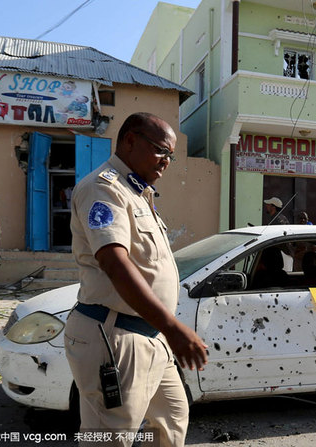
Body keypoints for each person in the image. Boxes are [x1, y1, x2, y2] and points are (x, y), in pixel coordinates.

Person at [65, 112, 208, 447]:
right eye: (161, 150)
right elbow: (116, 265)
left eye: (171, 155)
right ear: (130, 140)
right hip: (116, 336)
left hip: (151, 336)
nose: (167, 162)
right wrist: (173, 328)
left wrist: (165, 330)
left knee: (171, 421)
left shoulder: (138, 193)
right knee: (111, 438)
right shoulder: (104, 189)